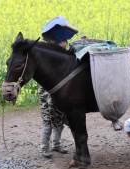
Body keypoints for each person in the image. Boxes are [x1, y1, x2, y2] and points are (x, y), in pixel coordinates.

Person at [38, 16, 78, 158]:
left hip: (60, 90)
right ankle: (44, 148)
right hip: (47, 91)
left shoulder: (61, 44)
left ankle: (56, 145)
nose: (64, 44)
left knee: (60, 120)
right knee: (48, 120)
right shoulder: (47, 50)